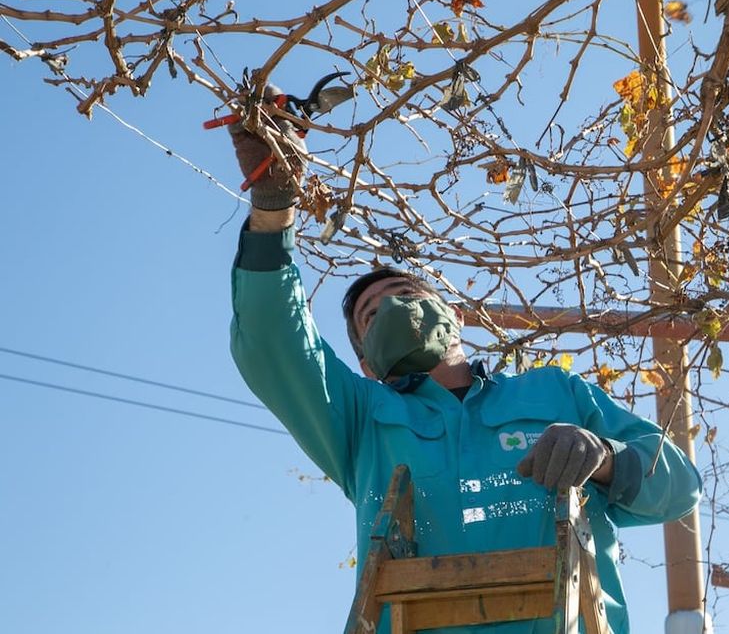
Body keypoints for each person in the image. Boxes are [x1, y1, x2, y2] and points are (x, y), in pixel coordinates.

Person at [226, 96, 702, 634]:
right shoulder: (361, 419)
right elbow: (275, 343)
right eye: (372, 314)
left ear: (451, 318)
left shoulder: (553, 394)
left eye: (407, 293)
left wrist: (606, 457)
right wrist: (273, 206)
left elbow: (680, 486)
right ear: (364, 361)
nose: (395, 309)